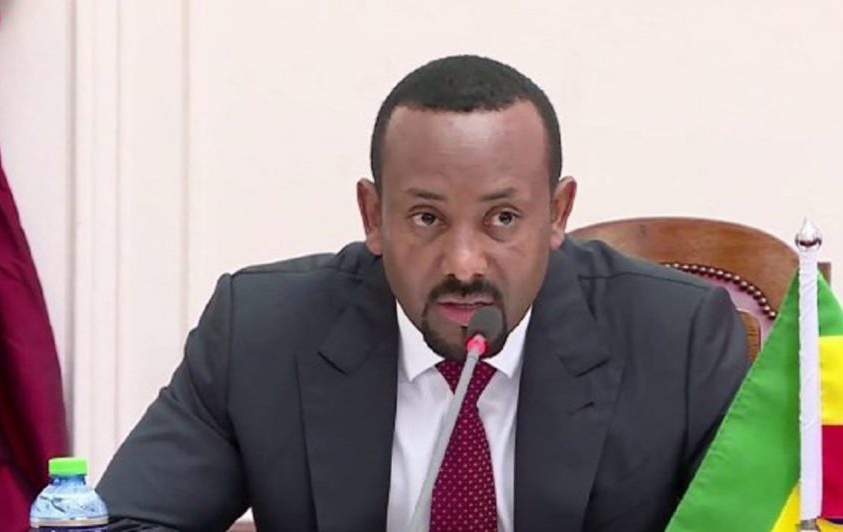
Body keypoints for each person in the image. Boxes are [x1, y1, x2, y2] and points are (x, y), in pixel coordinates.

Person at [98, 55, 748, 532]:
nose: (463, 263)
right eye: (427, 218)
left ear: (557, 213)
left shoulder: (679, 338)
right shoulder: (260, 333)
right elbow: (124, 522)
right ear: (373, 215)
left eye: (502, 219)